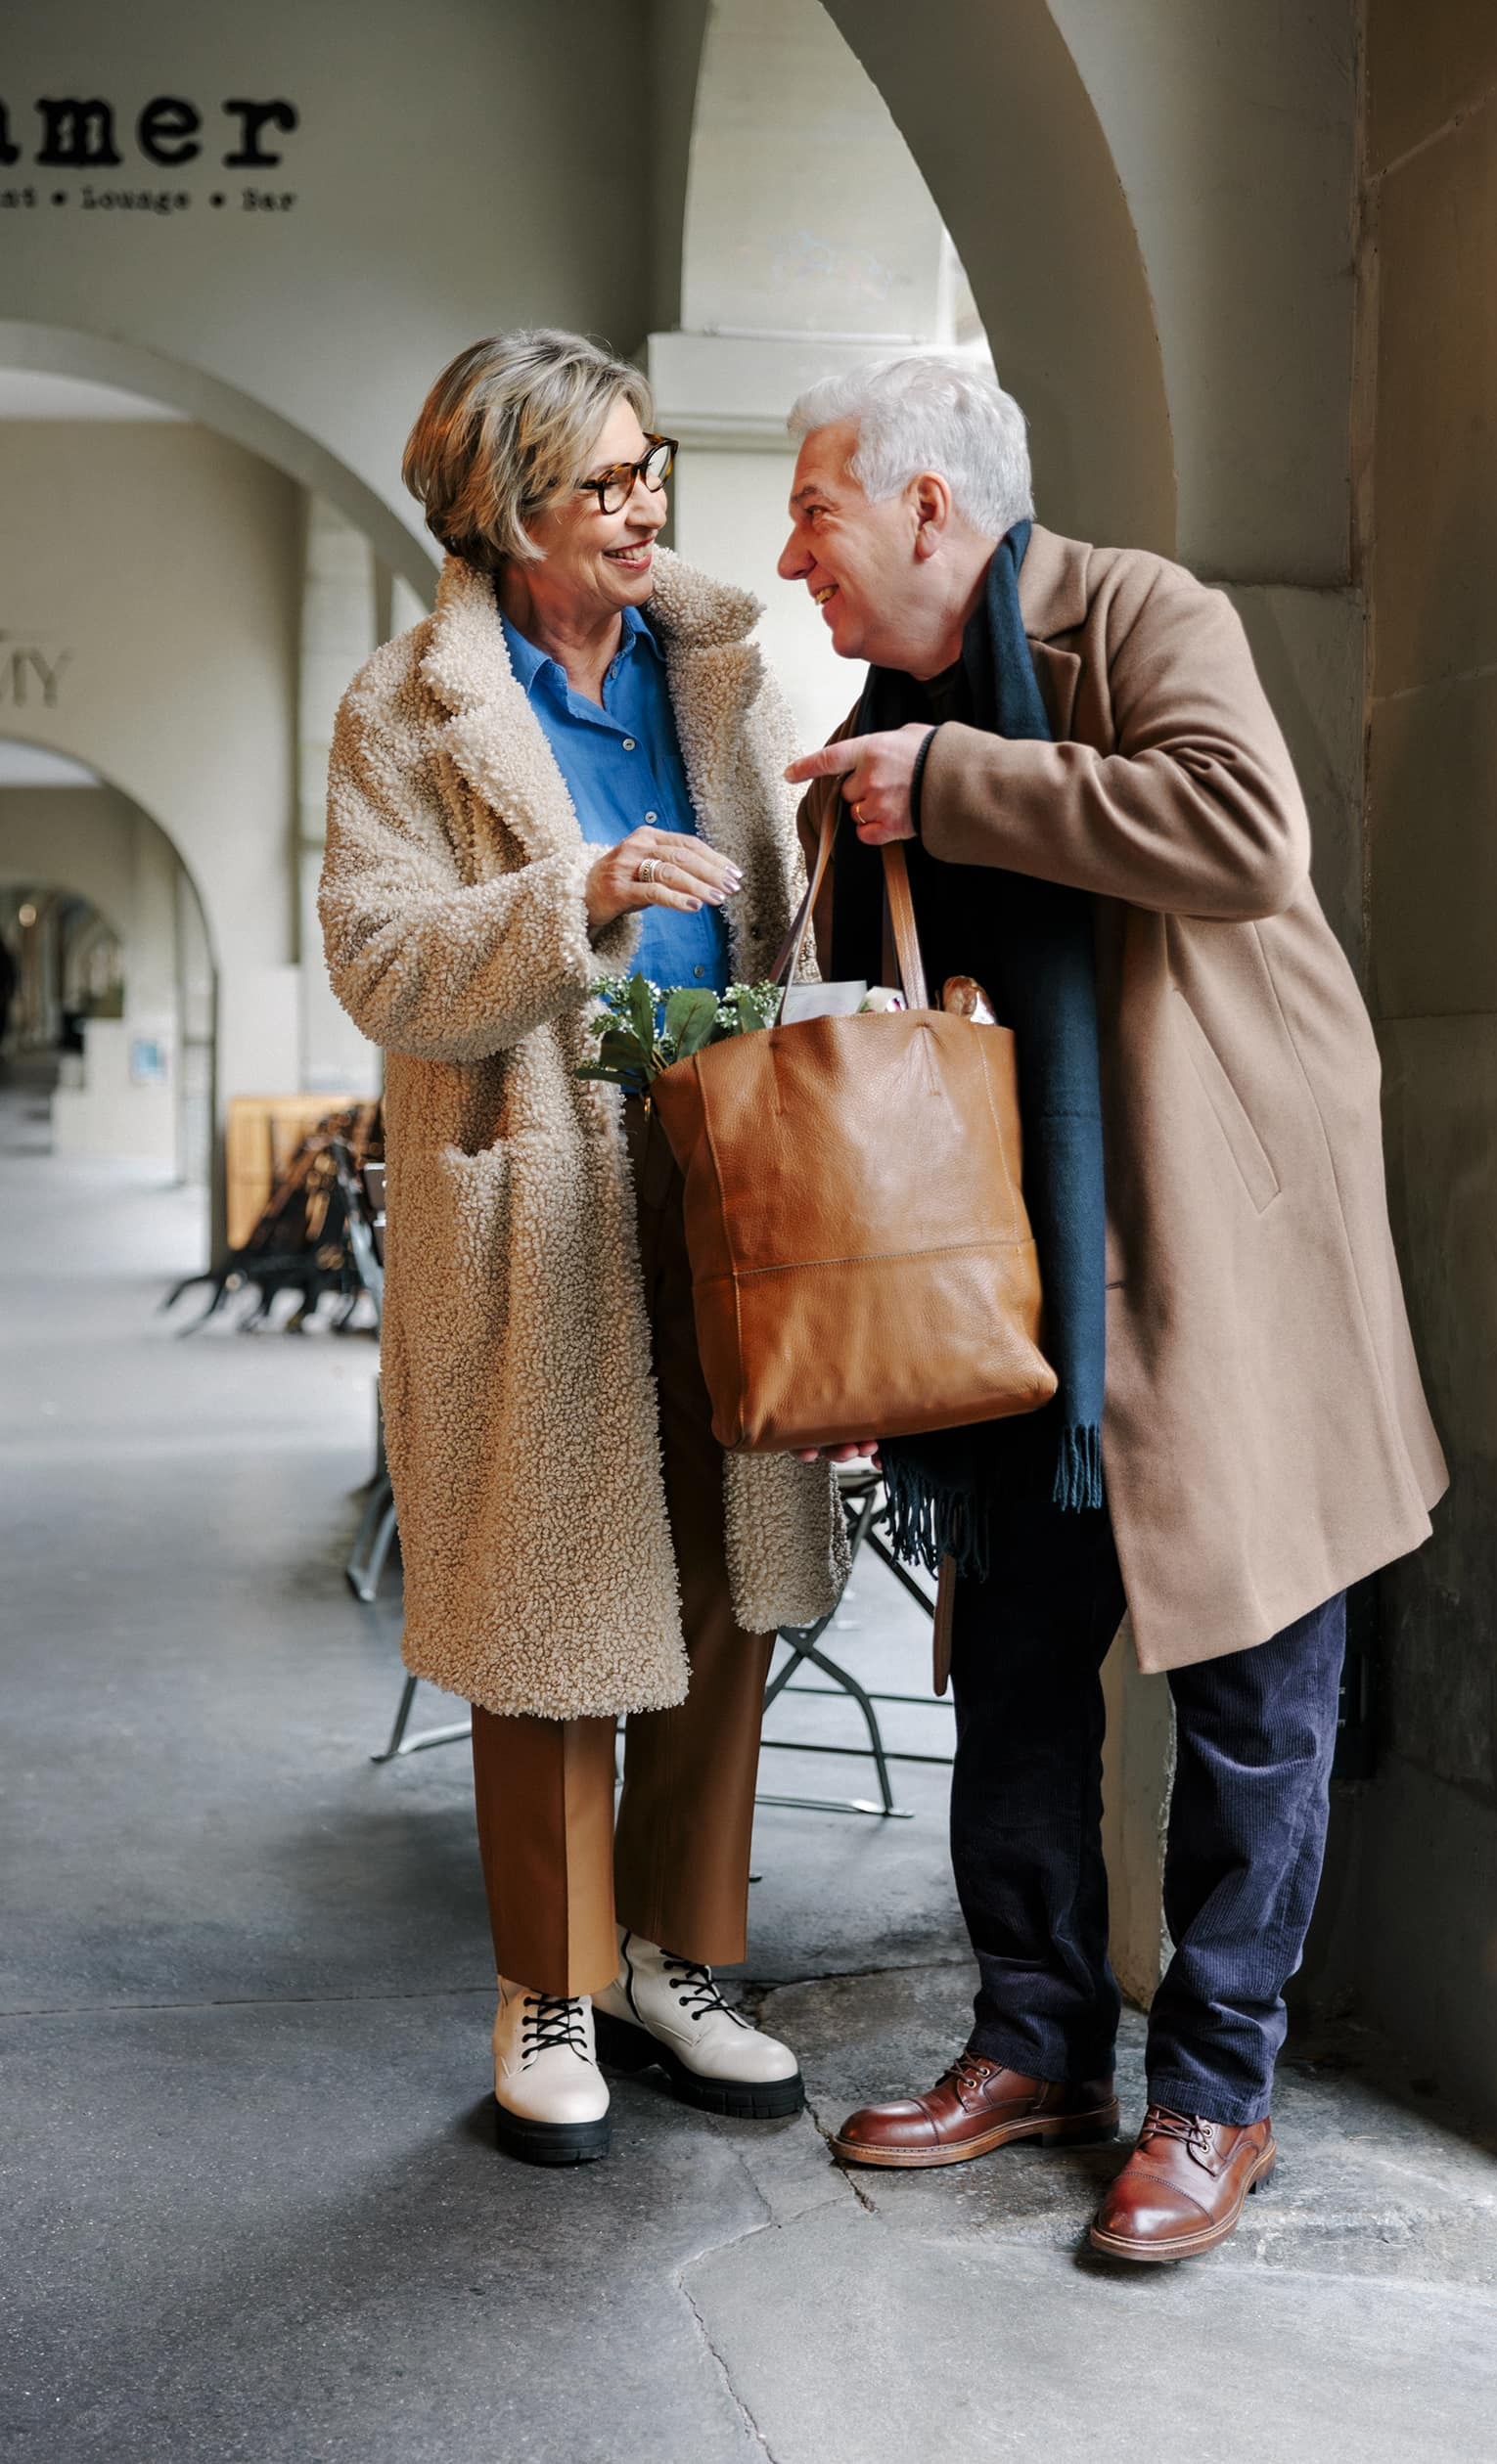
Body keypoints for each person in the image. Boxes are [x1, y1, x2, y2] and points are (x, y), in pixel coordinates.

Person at [776, 356, 1447, 2262]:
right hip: (1006, 1289)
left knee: (1253, 1685)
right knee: (1012, 1672)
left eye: (816, 510)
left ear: (926, 505)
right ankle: (1037, 2043)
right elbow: (877, 1050)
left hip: (1219, 1254)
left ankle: (1217, 2094)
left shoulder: (1141, 614)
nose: (793, 555)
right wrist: (858, 1315)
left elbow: (1243, 836)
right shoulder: (869, 735)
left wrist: (952, 788)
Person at [320, 329, 845, 2167]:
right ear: (503, 505)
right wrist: (578, 895)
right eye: (603, 480)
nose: (643, 505)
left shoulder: (722, 669)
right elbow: (378, 959)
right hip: (539, 1185)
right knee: (546, 1595)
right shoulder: (406, 710)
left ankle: (674, 1957)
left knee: (726, 1567)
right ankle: (548, 1981)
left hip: (731, 1164)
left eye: (650, 469)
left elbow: (781, 912)